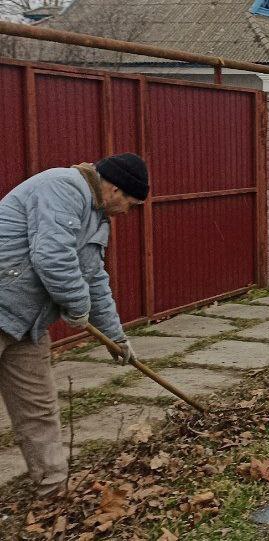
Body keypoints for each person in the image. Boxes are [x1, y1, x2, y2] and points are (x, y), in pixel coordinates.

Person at [0, 153, 146, 496]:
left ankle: (52, 488)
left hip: (26, 324)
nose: (129, 211)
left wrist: (116, 338)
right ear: (113, 188)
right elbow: (52, 256)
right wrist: (77, 306)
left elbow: (95, 279)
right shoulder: (62, 187)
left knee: (38, 406)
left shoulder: (97, 218)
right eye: (130, 202)